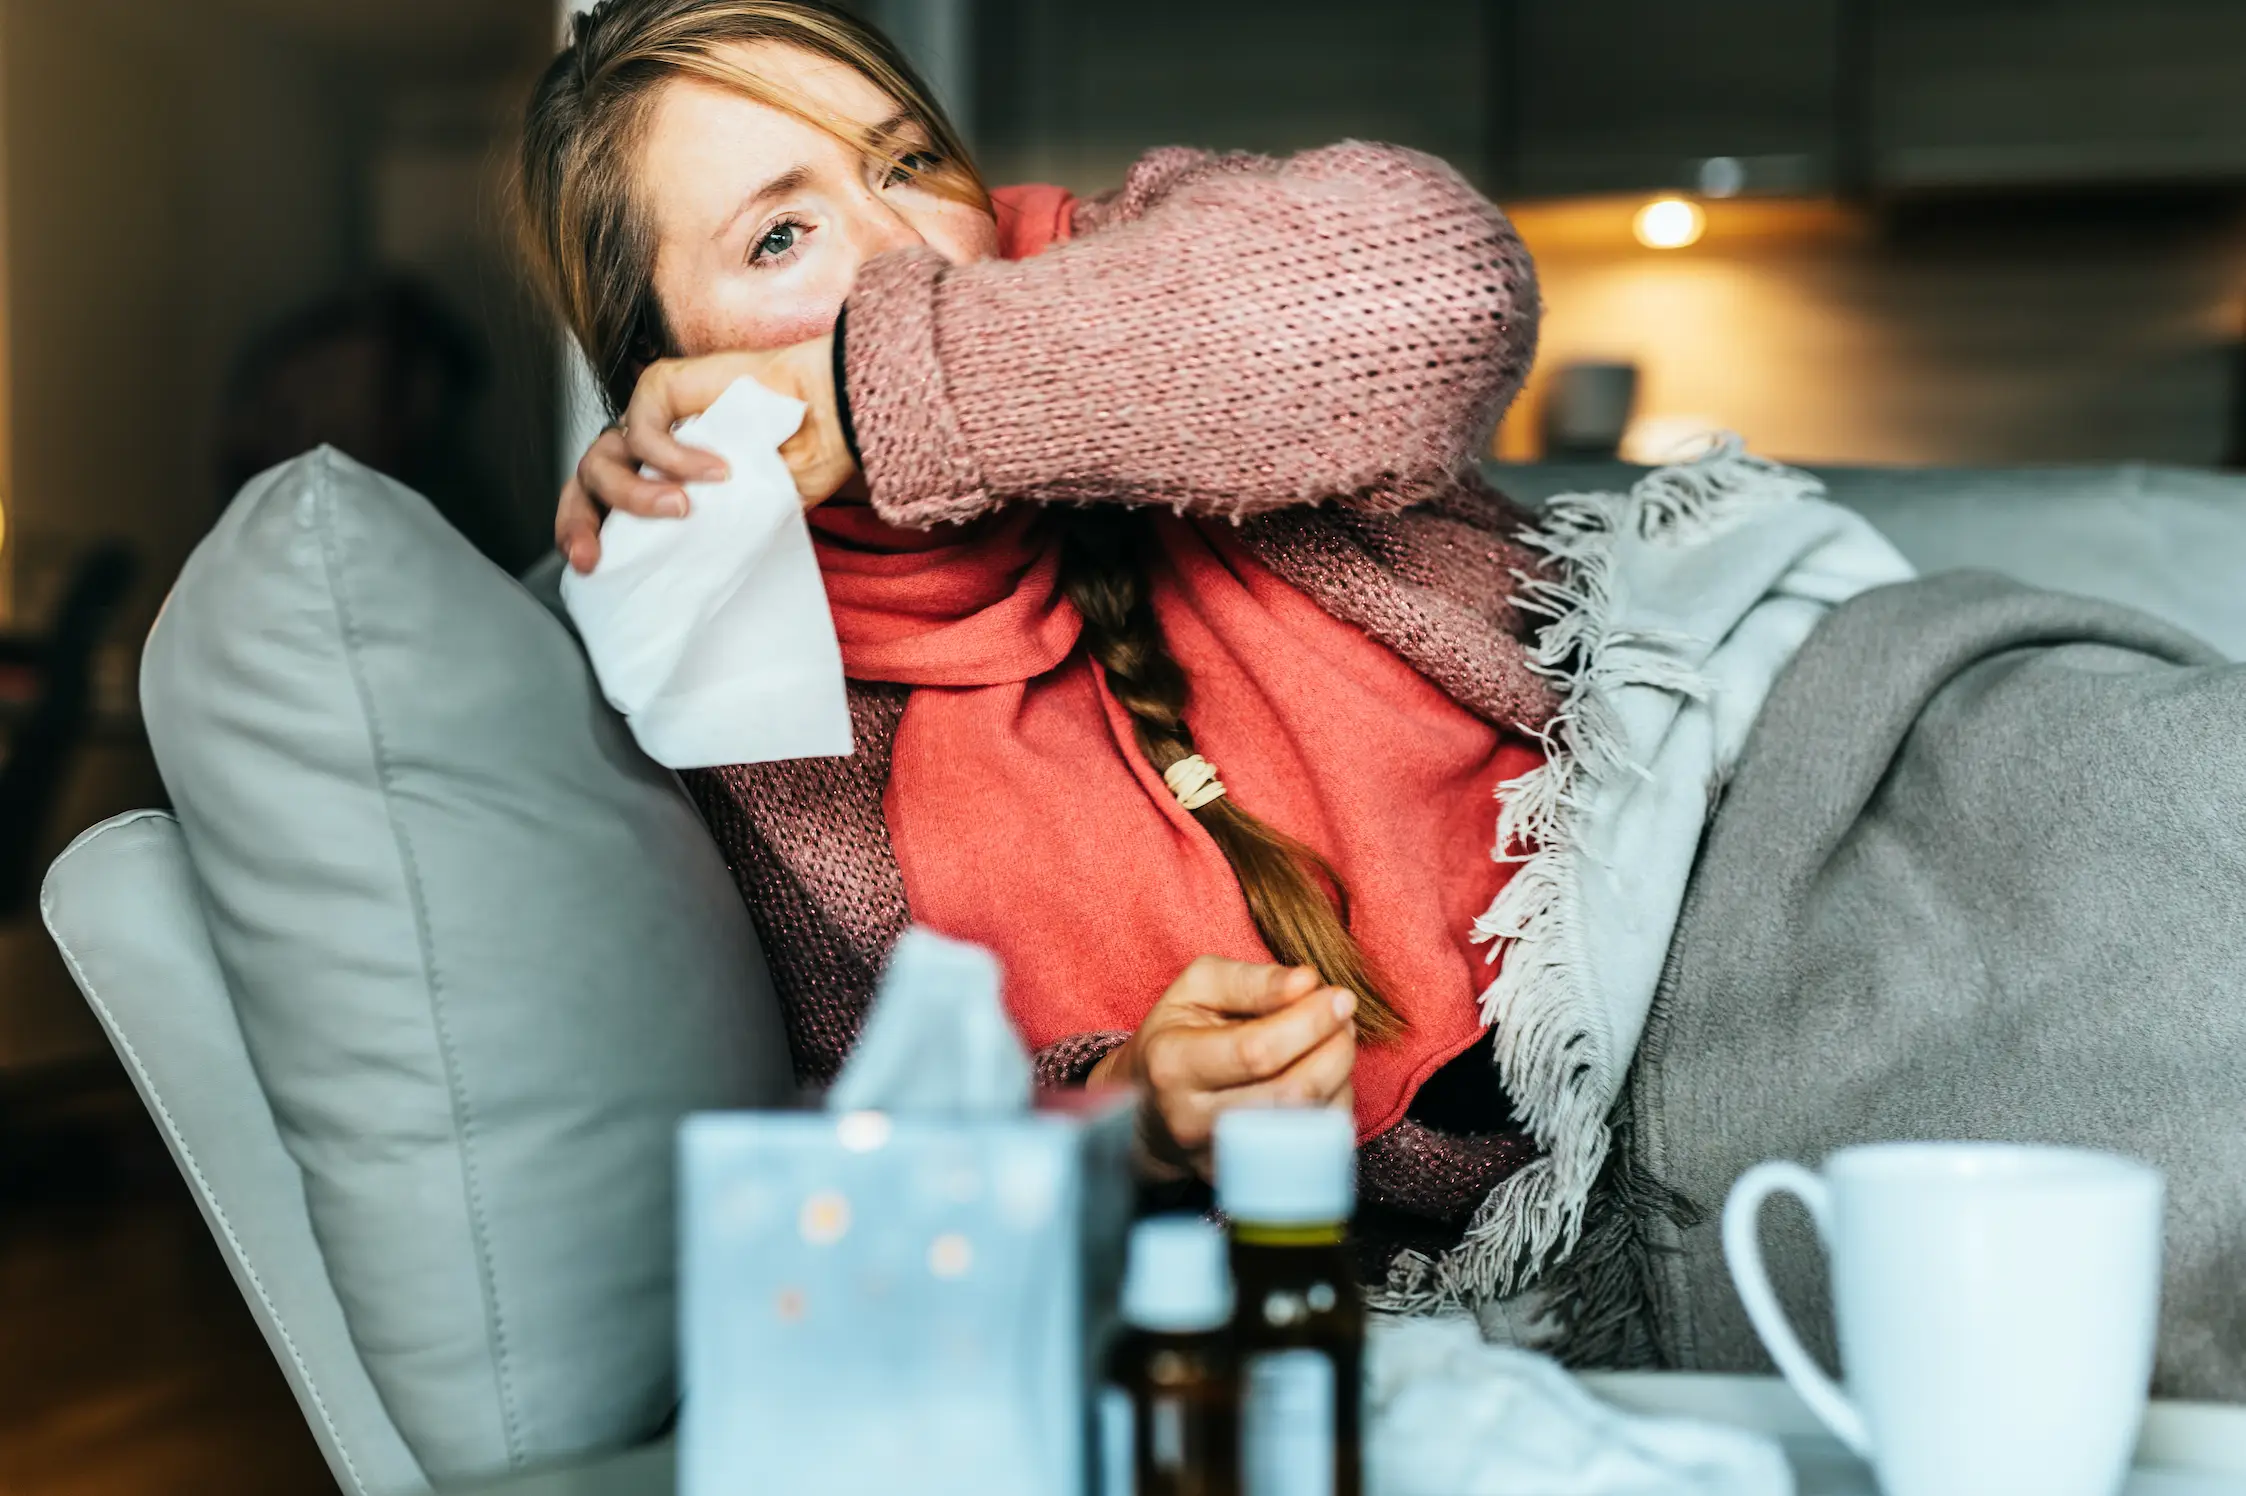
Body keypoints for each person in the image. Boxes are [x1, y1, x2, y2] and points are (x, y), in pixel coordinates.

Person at [518, 0, 1556, 1282]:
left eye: (905, 164)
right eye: (782, 234)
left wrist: (865, 387)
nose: (909, 253)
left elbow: (1444, 288)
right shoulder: (743, 695)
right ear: (663, 368)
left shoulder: (1129, 264)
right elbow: (872, 1134)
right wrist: (1133, 1105)